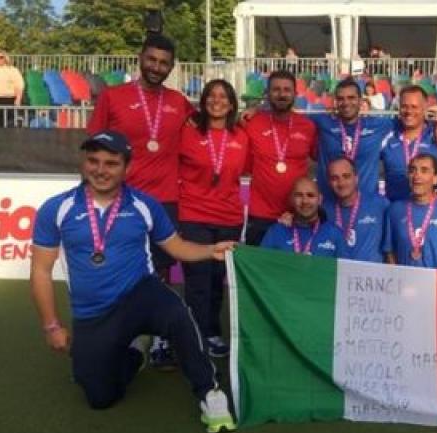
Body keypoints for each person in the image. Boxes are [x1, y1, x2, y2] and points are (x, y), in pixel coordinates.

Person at [29, 130, 236, 433]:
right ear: (83, 163)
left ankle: (210, 393)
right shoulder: (56, 208)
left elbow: (176, 247)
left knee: (179, 314)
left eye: (111, 163)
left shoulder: (144, 204)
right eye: (93, 161)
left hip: (141, 293)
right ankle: (137, 351)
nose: (100, 170)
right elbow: (41, 272)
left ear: (127, 168)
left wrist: (209, 250)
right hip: (94, 311)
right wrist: (51, 325)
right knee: (99, 397)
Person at [87, 35, 194, 368]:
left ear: (171, 67)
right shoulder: (112, 98)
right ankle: (111, 340)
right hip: (121, 201)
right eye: (152, 60)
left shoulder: (179, 102)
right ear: (140, 59)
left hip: (164, 202)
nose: (156, 67)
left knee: (161, 273)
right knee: (117, 271)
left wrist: (245, 118)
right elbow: (93, 149)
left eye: (164, 62)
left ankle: (161, 341)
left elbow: (210, 126)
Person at [178, 79, 249, 358]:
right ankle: (194, 333)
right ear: (204, 100)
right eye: (211, 95)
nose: (217, 101)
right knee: (197, 279)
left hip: (229, 217)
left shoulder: (242, 135)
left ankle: (212, 332)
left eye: (223, 96)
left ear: (231, 104)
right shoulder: (187, 132)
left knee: (218, 279)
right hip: (194, 214)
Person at [242, 70, 317, 245]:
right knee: (258, 269)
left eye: (286, 90)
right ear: (267, 94)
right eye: (276, 90)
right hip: (260, 214)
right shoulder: (251, 123)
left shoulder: (308, 126)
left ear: (295, 94)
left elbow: (318, 157)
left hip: (297, 212)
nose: (281, 94)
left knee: (294, 270)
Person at [311, 78, 394, 199]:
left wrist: (431, 116)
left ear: (360, 101)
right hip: (330, 204)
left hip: (366, 205)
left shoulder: (378, 125)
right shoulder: (323, 122)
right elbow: (292, 118)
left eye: (351, 98)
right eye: (340, 99)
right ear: (335, 102)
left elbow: (410, 120)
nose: (346, 103)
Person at [383, 154, 437, 268]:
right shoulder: (394, 210)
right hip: (405, 283)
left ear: (436, 178)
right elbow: (389, 251)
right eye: (412, 170)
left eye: (424, 170)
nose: (417, 176)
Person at [322, 157, 389, 262]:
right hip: (337, 274)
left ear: (356, 178)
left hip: (371, 276)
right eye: (335, 178)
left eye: (346, 176)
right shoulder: (323, 209)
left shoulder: (379, 204)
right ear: (329, 182)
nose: (341, 183)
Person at [261, 177, 348, 258]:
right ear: (291, 199)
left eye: (310, 195)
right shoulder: (276, 231)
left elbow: (345, 271)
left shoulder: (335, 234)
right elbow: (261, 266)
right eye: (299, 195)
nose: (305, 201)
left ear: (320, 200)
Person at [381, 85, 437, 201]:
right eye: (404, 106)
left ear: (425, 108)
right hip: (396, 211)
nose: (409, 111)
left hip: (427, 212)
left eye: (414, 107)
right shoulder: (387, 134)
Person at [0, 50, 24, 127]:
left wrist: (18, 98)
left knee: (6, 125)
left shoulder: (12, 70)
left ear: (5, 58)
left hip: (8, 99)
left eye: (1, 57)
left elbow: (19, 85)